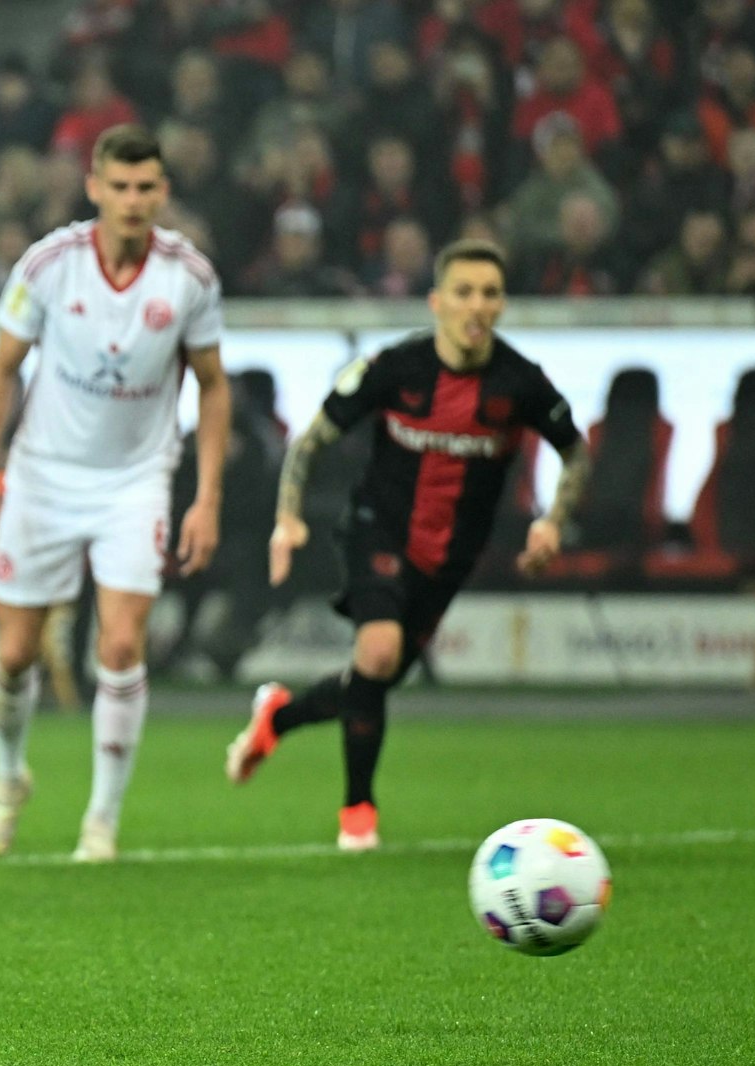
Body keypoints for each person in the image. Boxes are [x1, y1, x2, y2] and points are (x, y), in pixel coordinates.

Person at [225, 239, 590, 850]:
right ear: (437, 301)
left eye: (490, 293)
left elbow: (574, 452)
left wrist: (553, 519)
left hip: (449, 557)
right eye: (464, 292)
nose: (477, 306)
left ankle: (278, 719)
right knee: (377, 653)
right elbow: (309, 442)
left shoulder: (519, 381)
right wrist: (287, 518)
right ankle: (357, 815)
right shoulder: (396, 368)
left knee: (375, 678)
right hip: (379, 528)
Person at [0, 124, 233, 863]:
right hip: (43, 474)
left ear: (163, 191)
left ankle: (101, 821)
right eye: (121, 186)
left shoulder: (190, 278)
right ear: (95, 186)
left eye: (147, 187)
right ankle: (9, 778)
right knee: (15, 653)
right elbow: (2, 370)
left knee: (119, 642)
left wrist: (205, 497)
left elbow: (212, 387)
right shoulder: (50, 263)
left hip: (136, 480)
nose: (134, 199)